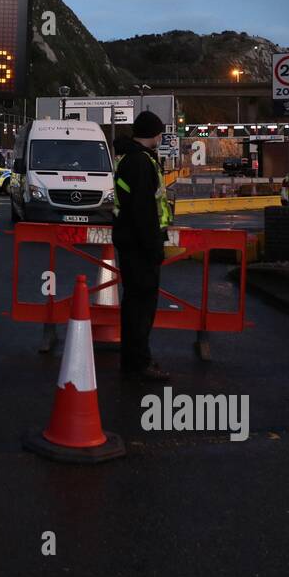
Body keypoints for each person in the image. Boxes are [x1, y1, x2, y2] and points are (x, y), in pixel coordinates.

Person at [111, 110, 173, 384]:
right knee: (141, 307)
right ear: (154, 134)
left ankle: (133, 359)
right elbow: (144, 210)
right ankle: (139, 363)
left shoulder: (129, 158)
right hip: (141, 246)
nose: (161, 137)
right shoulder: (141, 162)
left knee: (134, 304)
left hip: (130, 242)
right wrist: (154, 247)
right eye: (160, 133)